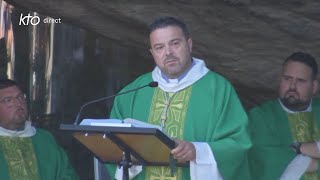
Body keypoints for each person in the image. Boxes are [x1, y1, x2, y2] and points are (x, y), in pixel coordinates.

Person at [105, 16, 251, 180]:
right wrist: (128, 155)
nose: (168, 52)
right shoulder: (133, 92)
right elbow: (112, 146)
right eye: (159, 47)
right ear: (152, 53)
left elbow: (238, 144)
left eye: (175, 43)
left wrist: (197, 151)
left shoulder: (218, 89)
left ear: (189, 44)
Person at [248, 52, 320, 179]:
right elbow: (266, 161)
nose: (292, 86)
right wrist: (310, 156)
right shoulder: (260, 116)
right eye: (287, 79)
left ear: (314, 87)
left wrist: (299, 149)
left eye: (300, 81)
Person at [0, 79, 79, 180]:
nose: (19, 104)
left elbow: (67, 175)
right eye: (8, 100)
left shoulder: (45, 139)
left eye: (20, 97)